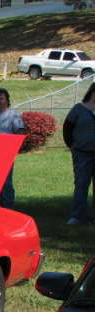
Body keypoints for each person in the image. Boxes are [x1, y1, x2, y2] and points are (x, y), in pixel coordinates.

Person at [0, 88, 25, 208]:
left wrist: (12, 148)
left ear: (7, 100)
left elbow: (21, 132)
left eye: (1, 98)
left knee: (6, 182)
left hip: (6, 155)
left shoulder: (12, 115)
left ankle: (8, 207)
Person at [63, 83, 95, 225]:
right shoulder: (78, 109)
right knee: (81, 184)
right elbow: (67, 128)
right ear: (91, 92)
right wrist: (72, 146)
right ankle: (76, 216)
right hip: (82, 153)